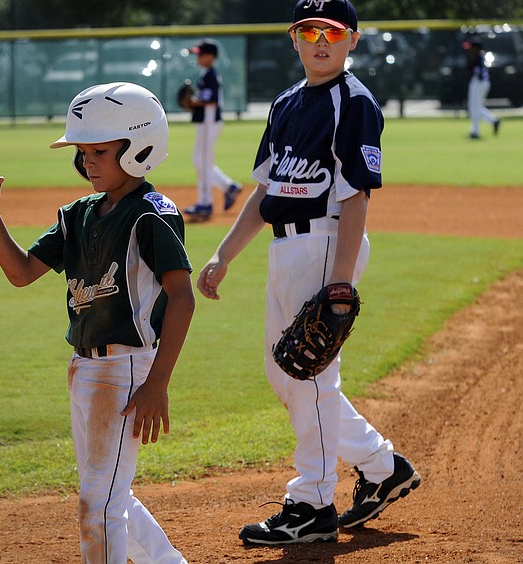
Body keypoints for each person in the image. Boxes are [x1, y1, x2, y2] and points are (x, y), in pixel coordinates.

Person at [196, 0, 420, 545]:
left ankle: (312, 502)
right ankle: (382, 465)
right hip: (287, 248)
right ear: (295, 39)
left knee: (311, 376)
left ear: (353, 40)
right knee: (288, 373)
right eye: (310, 30)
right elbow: (266, 190)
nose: (322, 40)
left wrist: (340, 281)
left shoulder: (353, 102)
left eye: (334, 31)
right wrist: (224, 254)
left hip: (327, 240)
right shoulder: (288, 102)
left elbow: (358, 195)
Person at [0, 82, 194, 563]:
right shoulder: (77, 215)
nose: (88, 162)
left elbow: (182, 300)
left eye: (99, 150)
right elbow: (21, 273)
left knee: (98, 501)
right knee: (105, 494)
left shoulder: (151, 215)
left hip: (126, 369)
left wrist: (158, 382)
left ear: (140, 146)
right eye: (83, 152)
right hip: (83, 369)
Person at [182, 40, 242, 222]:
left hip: (209, 123)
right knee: (201, 162)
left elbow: (211, 100)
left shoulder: (211, 75)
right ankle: (228, 187)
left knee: (201, 162)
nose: (198, 57)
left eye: (201, 54)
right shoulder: (206, 74)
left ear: (211, 56)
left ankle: (206, 202)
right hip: (206, 123)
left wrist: (192, 102)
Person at [464, 37, 500, 139]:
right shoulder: (480, 57)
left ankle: (476, 131)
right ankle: (493, 121)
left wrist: (469, 68)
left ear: (476, 48)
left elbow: (476, 72)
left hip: (478, 83)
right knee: (475, 107)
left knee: (474, 108)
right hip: (482, 83)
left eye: (471, 47)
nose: (469, 49)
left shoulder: (477, 58)